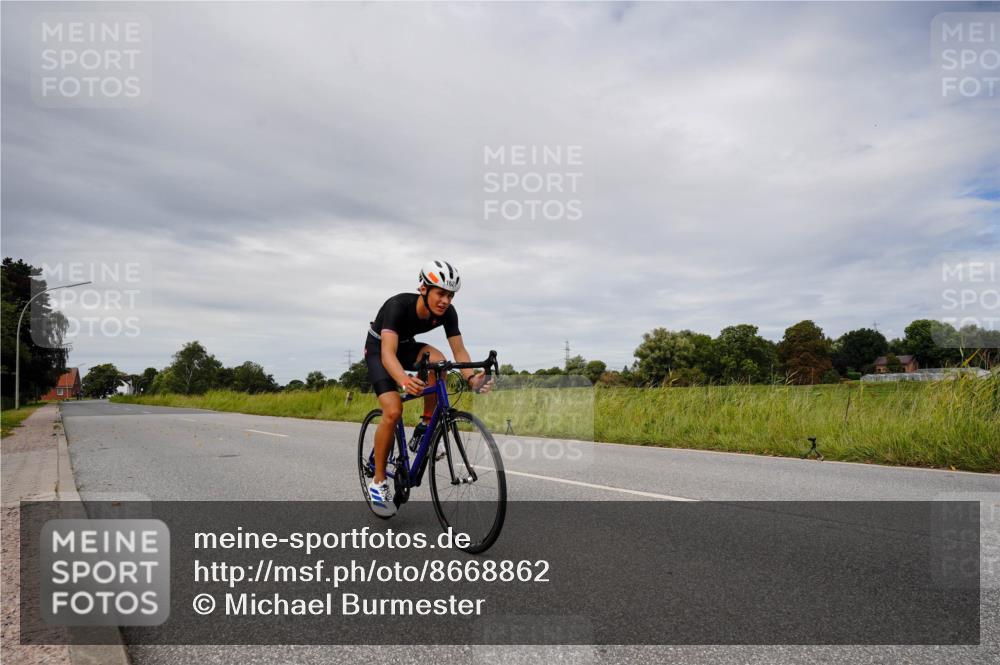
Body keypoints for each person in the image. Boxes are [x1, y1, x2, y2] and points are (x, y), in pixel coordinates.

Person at [364, 260, 493, 516]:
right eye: (440, 293)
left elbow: (459, 351)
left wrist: (471, 379)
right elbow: (388, 354)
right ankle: (378, 483)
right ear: (423, 289)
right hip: (380, 350)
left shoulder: (448, 313)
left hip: (406, 346)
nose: (445, 301)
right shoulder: (397, 306)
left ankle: (424, 428)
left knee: (440, 363)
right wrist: (404, 379)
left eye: (450, 295)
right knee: (393, 410)